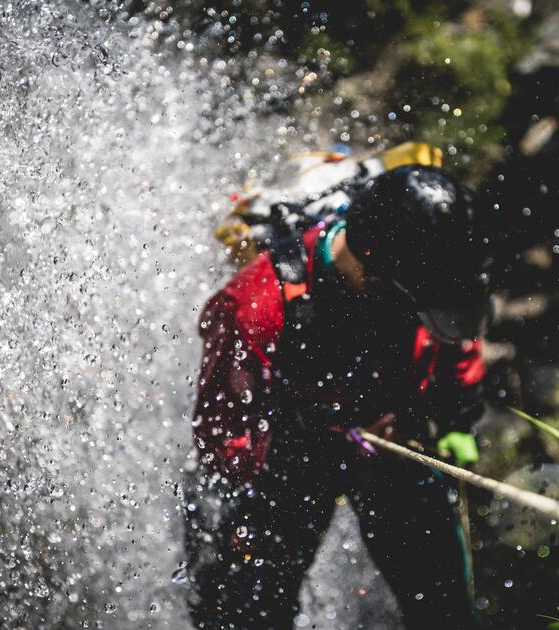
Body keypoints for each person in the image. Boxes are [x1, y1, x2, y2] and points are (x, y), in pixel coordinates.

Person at [184, 165, 497, 629]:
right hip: (287, 465)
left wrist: (456, 420)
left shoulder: (425, 279)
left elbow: (455, 340)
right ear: (370, 267)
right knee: (249, 614)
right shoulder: (256, 305)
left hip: (394, 443)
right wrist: (315, 433)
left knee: (444, 611)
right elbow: (224, 436)